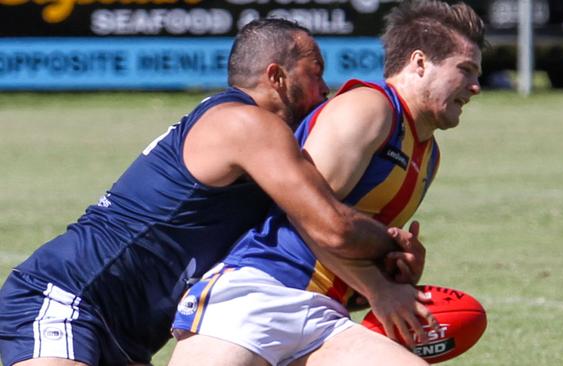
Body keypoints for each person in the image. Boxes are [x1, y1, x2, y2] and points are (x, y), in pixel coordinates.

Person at [0, 19, 424, 366]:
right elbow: (331, 227)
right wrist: (389, 244)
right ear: (276, 77)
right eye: (314, 75)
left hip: (128, 333)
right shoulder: (248, 124)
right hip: (67, 297)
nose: (325, 90)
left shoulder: (254, 133)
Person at [170, 1, 485, 365]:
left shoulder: (427, 153)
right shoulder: (370, 107)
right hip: (259, 294)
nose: (476, 86)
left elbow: (349, 248)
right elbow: (310, 218)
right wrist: (379, 288)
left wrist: (394, 266)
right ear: (419, 63)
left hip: (324, 317)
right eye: (465, 70)